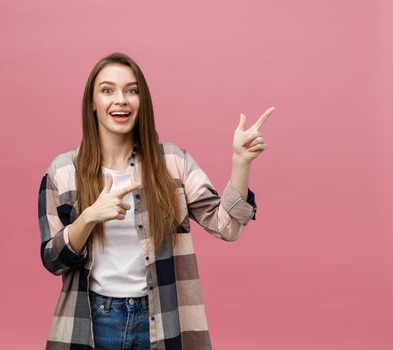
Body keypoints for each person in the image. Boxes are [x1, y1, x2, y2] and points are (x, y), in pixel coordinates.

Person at [38, 52, 274, 350]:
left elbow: (227, 227)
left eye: (132, 90)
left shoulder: (174, 162)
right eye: (108, 90)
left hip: (161, 319)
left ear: (142, 102)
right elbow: (52, 260)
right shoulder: (62, 171)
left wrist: (241, 162)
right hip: (93, 323)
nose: (121, 99)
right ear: (92, 104)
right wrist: (88, 218)